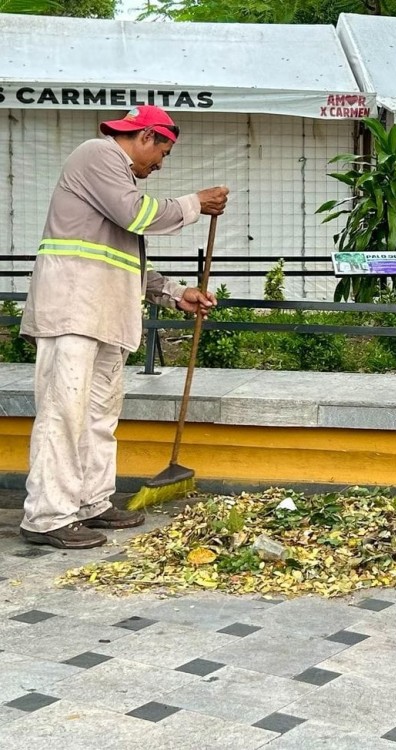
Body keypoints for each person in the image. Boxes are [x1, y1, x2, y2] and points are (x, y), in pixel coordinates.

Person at [18, 105, 229, 549]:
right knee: (64, 415)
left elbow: (124, 262)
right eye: (164, 152)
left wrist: (175, 293)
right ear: (147, 136)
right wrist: (195, 204)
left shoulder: (118, 181)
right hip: (73, 313)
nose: (161, 163)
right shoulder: (97, 155)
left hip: (103, 317)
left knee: (97, 417)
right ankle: (47, 516)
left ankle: (92, 503)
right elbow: (137, 215)